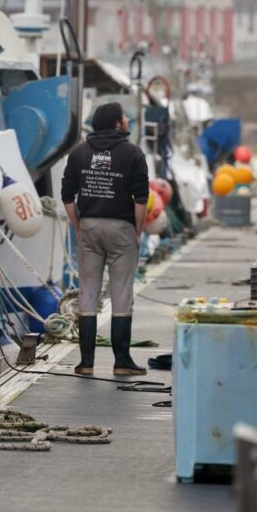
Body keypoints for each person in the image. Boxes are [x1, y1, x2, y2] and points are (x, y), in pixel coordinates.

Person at [61, 102, 149, 376]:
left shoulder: (79, 153)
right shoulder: (133, 154)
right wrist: (137, 230)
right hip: (122, 227)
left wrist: (79, 225)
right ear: (116, 123)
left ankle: (86, 363)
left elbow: (66, 195)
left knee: (88, 293)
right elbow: (141, 198)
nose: (128, 121)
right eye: (125, 117)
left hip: (89, 226)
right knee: (121, 294)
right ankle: (121, 362)